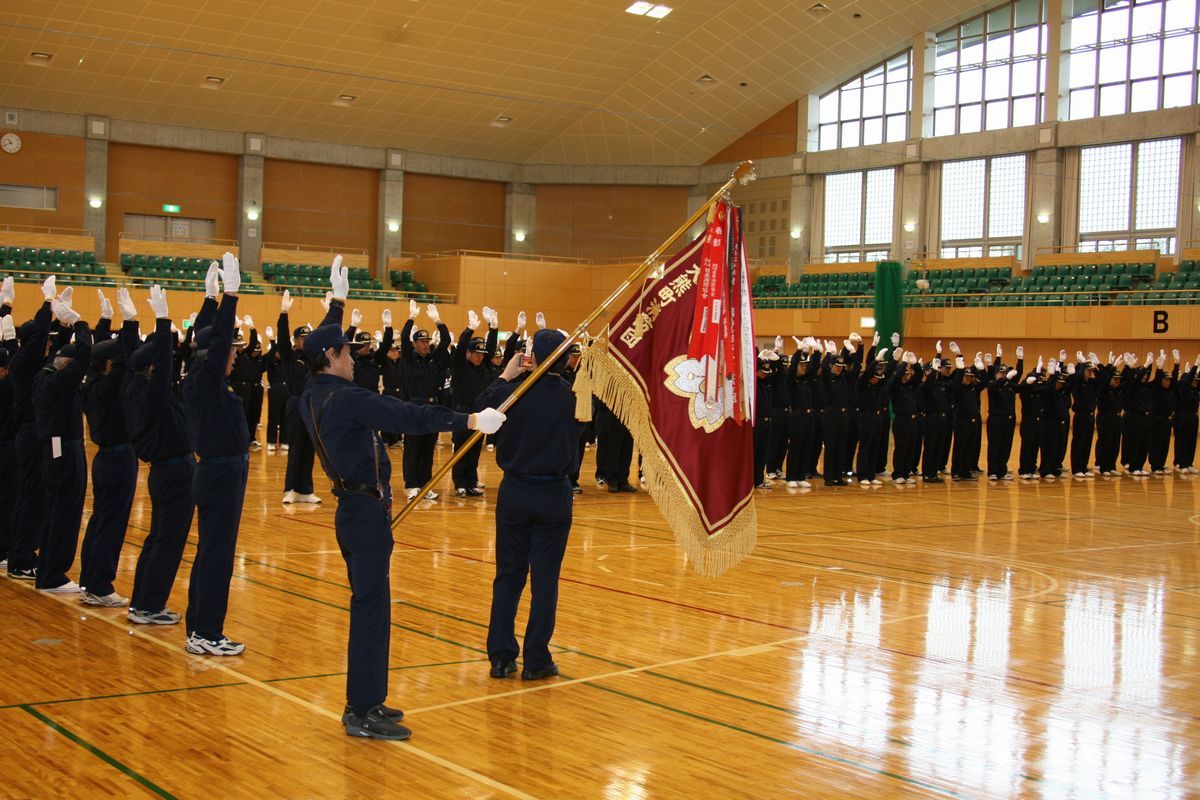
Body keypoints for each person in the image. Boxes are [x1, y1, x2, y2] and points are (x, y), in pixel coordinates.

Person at [299, 259, 505, 741]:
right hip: (364, 514)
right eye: (346, 352)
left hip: (357, 511)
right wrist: (472, 422)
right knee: (371, 610)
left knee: (375, 606)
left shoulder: (311, 391)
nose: (354, 357)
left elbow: (324, 346)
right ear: (332, 357)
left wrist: (338, 302)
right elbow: (409, 415)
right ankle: (360, 709)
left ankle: (368, 699)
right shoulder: (347, 398)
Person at [476, 328, 578, 683]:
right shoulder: (571, 395)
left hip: (515, 492)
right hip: (553, 494)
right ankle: (536, 658)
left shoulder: (512, 393)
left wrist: (505, 376)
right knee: (545, 581)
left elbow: (479, 414)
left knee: (508, 577)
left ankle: (501, 658)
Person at [180, 253, 250, 655]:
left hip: (223, 474)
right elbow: (214, 339)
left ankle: (199, 628)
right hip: (221, 476)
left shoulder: (201, 377)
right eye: (232, 349)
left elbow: (205, 337)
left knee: (212, 553)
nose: (237, 353)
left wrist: (210, 301)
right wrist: (232, 297)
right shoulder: (204, 382)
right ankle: (206, 632)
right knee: (217, 556)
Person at [120, 285, 195, 626]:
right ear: (151, 370)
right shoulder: (151, 395)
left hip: (164, 472)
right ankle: (149, 606)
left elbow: (156, 358)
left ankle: (142, 602)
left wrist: (133, 322)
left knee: (157, 538)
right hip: (174, 472)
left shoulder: (134, 387)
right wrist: (163, 322)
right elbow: (164, 362)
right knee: (168, 540)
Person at [78, 291, 138, 606]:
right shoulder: (110, 387)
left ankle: (90, 579)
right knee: (112, 523)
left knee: (100, 519)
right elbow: (126, 357)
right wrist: (130, 323)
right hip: (118, 459)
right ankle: (100, 586)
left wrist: (104, 323)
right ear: (109, 365)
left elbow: (99, 354)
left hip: (104, 458)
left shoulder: (91, 383)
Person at [32, 286, 91, 592]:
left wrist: (63, 326)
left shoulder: (44, 375)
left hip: (52, 450)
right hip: (65, 450)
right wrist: (80, 324)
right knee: (66, 512)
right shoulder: (60, 383)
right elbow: (83, 355)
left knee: (54, 510)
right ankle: (54, 575)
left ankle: (46, 571)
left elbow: (61, 355)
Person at [399, 300, 451, 500]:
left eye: (427, 341)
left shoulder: (433, 360)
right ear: (414, 344)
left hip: (432, 407)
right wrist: (411, 318)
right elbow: (404, 337)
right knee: (413, 447)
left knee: (428, 449)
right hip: (414, 406)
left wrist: (438, 321)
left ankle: (425, 485)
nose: (425, 344)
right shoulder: (409, 360)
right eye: (421, 341)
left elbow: (445, 341)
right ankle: (412, 484)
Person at [450, 307, 498, 497]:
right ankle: (459, 483)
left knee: (474, 451)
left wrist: (493, 329)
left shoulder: (483, 367)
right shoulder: (460, 367)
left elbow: (491, 349)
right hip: (463, 412)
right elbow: (460, 348)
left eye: (481, 354)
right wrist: (469, 329)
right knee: (461, 451)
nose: (480, 356)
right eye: (476, 353)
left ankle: (471, 482)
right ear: (468, 353)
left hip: (480, 413)